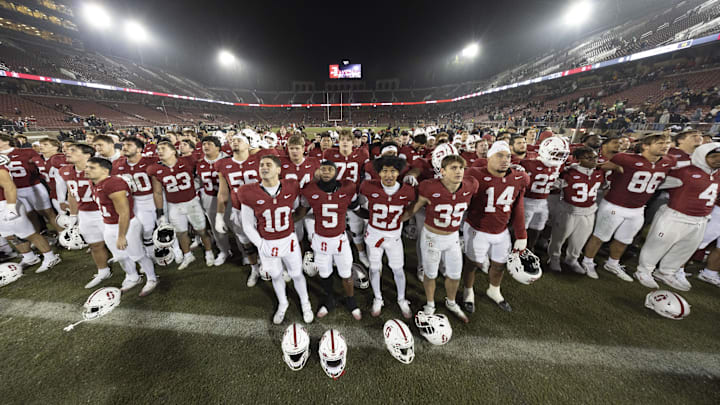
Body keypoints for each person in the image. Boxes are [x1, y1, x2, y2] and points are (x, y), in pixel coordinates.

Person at [581, 133, 673, 280]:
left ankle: (613, 263)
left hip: (638, 208)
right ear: (645, 146)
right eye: (660, 143)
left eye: (667, 142)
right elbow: (602, 167)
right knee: (599, 236)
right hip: (614, 205)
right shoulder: (626, 159)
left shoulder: (668, 162)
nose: (665, 145)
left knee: (624, 239)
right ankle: (587, 261)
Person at [239, 155, 313, 325]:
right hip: (267, 241)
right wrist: (261, 244)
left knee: (296, 273)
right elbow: (247, 225)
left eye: (269, 164)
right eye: (262, 165)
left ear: (279, 170)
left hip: (288, 239)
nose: (264, 167)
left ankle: (305, 303)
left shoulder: (291, 186)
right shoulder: (248, 191)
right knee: (275, 274)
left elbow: (299, 205)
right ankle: (283, 303)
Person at [635, 143, 720, 291]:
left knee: (685, 248)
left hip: (701, 219)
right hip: (676, 215)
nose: (718, 160)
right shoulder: (684, 171)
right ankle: (644, 270)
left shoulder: (718, 174)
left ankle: (666, 272)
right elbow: (655, 181)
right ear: (701, 155)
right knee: (658, 245)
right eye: (713, 156)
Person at [405, 154, 478, 323]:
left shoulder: (470, 185)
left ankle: (451, 302)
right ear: (442, 171)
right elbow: (413, 209)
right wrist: (394, 222)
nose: (459, 171)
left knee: (454, 274)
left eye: (461, 168)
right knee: (430, 274)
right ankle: (430, 303)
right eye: (453, 168)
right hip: (431, 237)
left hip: (452, 237)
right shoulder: (429, 187)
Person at [462, 141, 528, 313]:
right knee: (472, 264)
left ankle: (494, 290)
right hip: (477, 229)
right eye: (500, 155)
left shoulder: (519, 178)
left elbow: (518, 207)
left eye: (507, 156)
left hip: (501, 230)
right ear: (489, 157)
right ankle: (468, 291)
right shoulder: (473, 174)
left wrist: (521, 235)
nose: (505, 159)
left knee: (499, 265)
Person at [297, 160, 362, 320]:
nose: (326, 172)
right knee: (325, 274)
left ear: (336, 172)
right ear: (318, 171)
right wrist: (285, 223)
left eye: (330, 169)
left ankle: (351, 301)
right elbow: (302, 211)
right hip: (321, 239)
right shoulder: (310, 190)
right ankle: (329, 300)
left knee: (346, 274)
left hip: (340, 240)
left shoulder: (347, 188)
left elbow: (356, 208)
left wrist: (372, 216)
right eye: (323, 169)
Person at [85, 157, 157, 296]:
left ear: (105, 171)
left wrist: (121, 236)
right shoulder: (93, 182)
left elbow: (124, 212)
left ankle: (152, 278)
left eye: (92, 167)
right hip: (109, 224)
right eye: (87, 166)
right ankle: (132, 277)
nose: (87, 170)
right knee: (120, 256)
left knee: (137, 255)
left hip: (126, 225)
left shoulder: (113, 183)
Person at [359, 156, 415, 319]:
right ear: (379, 172)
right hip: (374, 235)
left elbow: (412, 207)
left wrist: (402, 219)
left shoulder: (408, 190)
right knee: (375, 268)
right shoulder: (368, 186)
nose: (389, 175)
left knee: (398, 269)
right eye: (384, 171)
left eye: (393, 171)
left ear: (399, 172)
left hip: (394, 237)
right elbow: (359, 203)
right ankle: (378, 298)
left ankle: (401, 299)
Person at [147, 141, 214, 269]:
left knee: (201, 230)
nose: (159, 151)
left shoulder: (188, 161)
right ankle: (188, 255)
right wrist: (160, 212)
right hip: (174, 205)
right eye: (158, 149)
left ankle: (209, 252)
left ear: (173, 151)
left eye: (163, 148)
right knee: (180, 233)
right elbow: (158, 192)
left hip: (192, 202)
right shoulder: (155, 169)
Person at [57, 143, 112, 288]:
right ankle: (103, 271)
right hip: (85, 213)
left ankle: (132, 273)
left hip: (104, 212)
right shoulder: (65, 170)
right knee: (95, 245)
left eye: (73, 150)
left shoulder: (100, 169)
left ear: (87, 155)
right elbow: (72, 194)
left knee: (118, 244)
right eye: (68, 150)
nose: (68, 152)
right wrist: (74, 216)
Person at [547, 147, 604, 274]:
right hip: (568, 210)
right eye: (589, 158)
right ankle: (554, 258)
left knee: (580, 239)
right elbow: (553, 187)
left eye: (595, 157)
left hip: (589, 211)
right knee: (559, 237)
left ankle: (572, 259)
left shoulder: (599, 172)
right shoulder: (569, 172)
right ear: (577, 159)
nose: (593, 160)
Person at [214, 134, 262, 285]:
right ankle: (254, 269)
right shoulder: (223, 164)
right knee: (246, 243)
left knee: (266, 241)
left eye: (239, 140)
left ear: (249, 144)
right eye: (233, 140)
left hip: (261, 209)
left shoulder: (260, 159)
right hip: (239, 210)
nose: (235, 142)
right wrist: (219, 215)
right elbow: (223, 192)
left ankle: (271, 267)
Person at [0, 162, 60, 273]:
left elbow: (10, 187)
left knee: (29, 234)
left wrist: (11, 207)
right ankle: (29, 257)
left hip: (5, 204)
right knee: (10, 235)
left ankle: (51, 257)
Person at [323, 129, 370, 266]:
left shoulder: (362, 153)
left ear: (353, 142)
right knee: (335, 227)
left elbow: (367, 174)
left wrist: (363, 192)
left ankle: (361, 254)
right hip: (335, 196)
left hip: (353, 196)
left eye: (347, 140)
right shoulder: (330, 153)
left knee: (356, 228)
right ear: (338, 141)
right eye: (342, 140)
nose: (344, 142)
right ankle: (334, 253)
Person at [0, 133, 59, 233]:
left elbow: (40, 165)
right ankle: (41, 234)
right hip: (14, 190)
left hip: (33, 186)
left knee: (47, 212)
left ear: (6, 141)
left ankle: (62, 234)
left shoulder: (27, 151)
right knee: (29, 215)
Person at [112, 137, 159, 256]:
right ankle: (150, 254)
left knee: (166, 225)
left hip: (156, 197)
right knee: (146, 229)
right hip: (136, 200)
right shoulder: (118, 164)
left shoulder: (152, 160)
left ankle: (176, 250)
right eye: (124, 145)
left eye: (129, 145)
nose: (125, 147)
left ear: (139, 149)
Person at [195, 136, 230, 266]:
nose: (205, 146)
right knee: (216, 228)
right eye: (204, 144)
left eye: (209, 144)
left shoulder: (228, 159)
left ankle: (245, 253)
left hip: (229, 197)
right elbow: (198, 181)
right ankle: (224, 251)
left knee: (236, 226)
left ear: (218, 147)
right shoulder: (200, 163)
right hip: (210, 198)